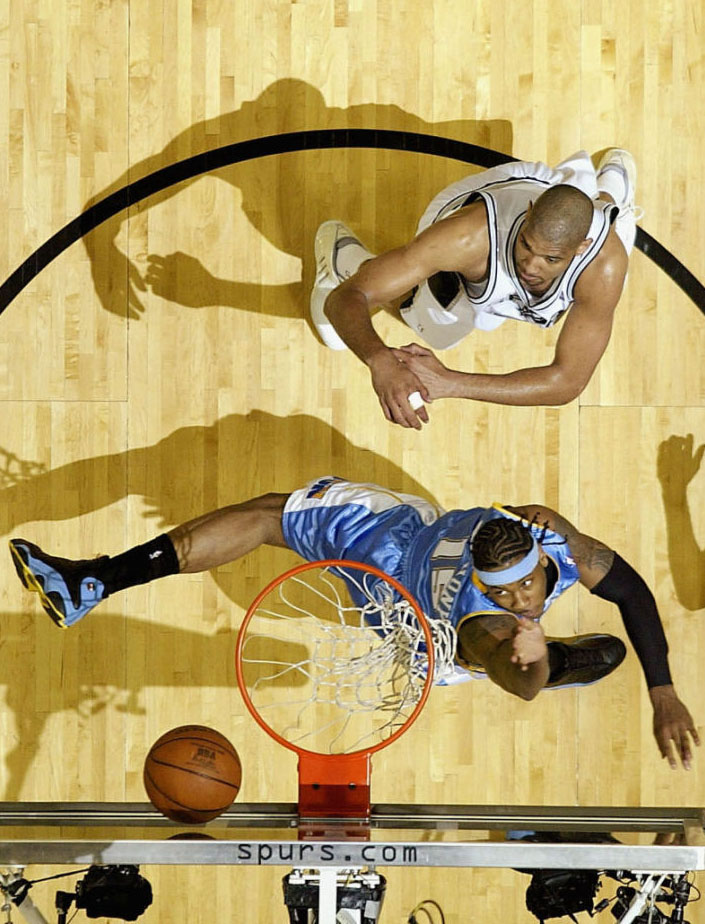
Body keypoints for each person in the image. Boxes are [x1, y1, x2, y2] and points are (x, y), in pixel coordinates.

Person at [9, 475, 697, 770]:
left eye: (527, 588)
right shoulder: (486, 625)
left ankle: (86, 584)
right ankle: (92, 579)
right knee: (266, 513)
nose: (522, 599)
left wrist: (660, 688)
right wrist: (533, 645)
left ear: (535, 550)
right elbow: (517, 675)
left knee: (272, 515)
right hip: (403, 588)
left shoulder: (545, 539)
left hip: (413, 586)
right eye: (508, 594)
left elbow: (630, 591)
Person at [310, 149, 640, 428]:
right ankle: (344, 259)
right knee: (442, 330)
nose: (531, 265)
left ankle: (609, 193)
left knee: (612, 238)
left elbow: (567, 381)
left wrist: (451, 382)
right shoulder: (464, 237)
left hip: (560, 213)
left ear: (581, 248)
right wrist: (379, 359)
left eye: (550, 259)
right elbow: (347, 299)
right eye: (526, 245)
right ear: (526, 218)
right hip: (483, 212)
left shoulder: (602, 265)